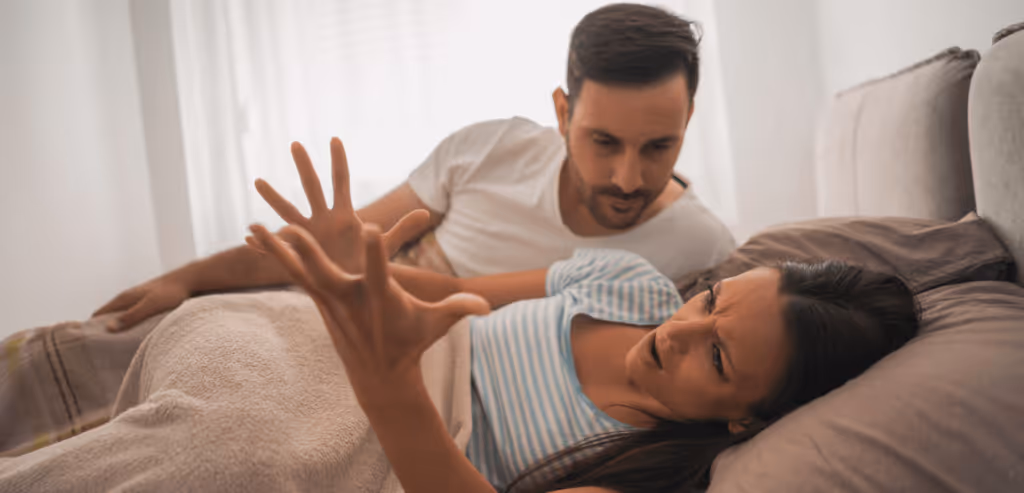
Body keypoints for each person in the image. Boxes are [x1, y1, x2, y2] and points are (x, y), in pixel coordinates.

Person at [242, 124, 921, 493]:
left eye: (717, 356)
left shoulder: (653, 470)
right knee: (223, 341)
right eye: (709, 301)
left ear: (745, 415)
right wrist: (351, 271)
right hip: (380, 347)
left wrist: (389, 389)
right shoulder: (630, 280)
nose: (681, 329)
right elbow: (453, 301)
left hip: (400, 430)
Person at [93, 2, 734, 333]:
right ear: (562, 114)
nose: (627, 178)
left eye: (659, 146)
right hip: (339, 310)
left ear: (689, 120)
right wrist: (187, 278)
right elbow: (341, 246)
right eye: (603, 141)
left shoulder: (701, 248)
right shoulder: (492, 151)